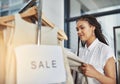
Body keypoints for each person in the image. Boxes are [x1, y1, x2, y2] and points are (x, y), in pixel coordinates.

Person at [76, 15, 116, 84]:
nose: (79, 32)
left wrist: (96, 74)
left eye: (82, 28)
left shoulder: (105, 50)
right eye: (77, 29)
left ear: (92, 27)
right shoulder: (78, 52)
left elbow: (113, 82)